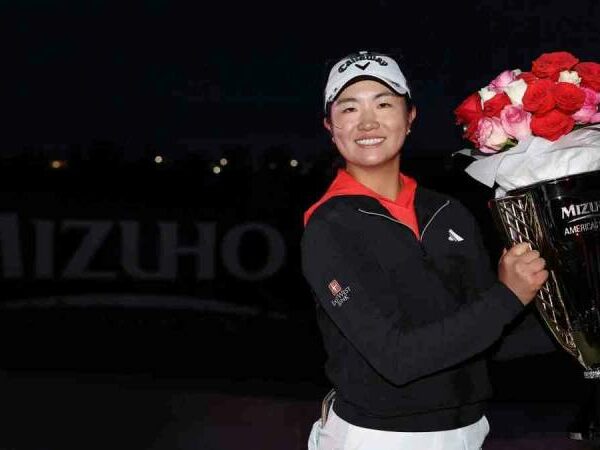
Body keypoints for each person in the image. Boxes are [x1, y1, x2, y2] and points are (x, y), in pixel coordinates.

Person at [301, 50, 556, 450]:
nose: (368, 122)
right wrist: (508, 296)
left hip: (469, 431)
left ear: (410, 117)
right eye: (349, 108)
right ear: (330, 127)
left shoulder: (448, 210)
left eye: (384, 103)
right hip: (376, 437)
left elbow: (488, 334)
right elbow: (396, 358)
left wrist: (576, 317)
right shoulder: (328, 227)